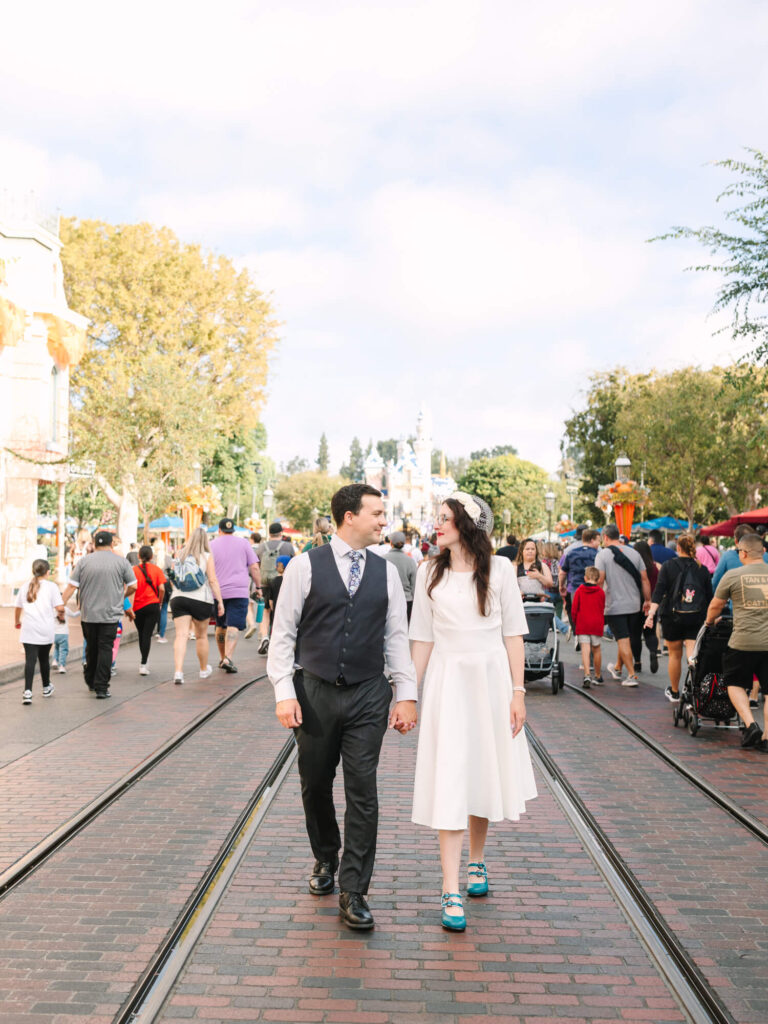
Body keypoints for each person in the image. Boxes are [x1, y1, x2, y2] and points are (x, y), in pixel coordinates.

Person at [267, 483, 418, 931]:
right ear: (349, 516)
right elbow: (283, 635)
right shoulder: (302, 566)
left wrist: (405, 693)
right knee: (315, 784)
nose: (383, 521)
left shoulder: (386, 571)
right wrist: (283, 692)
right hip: (313, 691)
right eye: (376, 513)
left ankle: (355, 890)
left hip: (368, 693)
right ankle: (325, 857)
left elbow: (396, 637)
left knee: (362, 790)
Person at [409, 492, 536, 932]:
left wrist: (518, 693)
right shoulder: (428, 571)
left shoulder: (500, 569)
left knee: (481, 770)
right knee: (450, 775)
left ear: (466, 524)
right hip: (448, 682)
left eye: (443, 518)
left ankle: (477, 862)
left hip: (491, 680)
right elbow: (422, 638)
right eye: (437, 518)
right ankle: (449, 887)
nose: (436, 525)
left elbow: (514, 634)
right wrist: (409, 693)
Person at [705, 532, 768, 751]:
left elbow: (716, 605)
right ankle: (767, 738)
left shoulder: (734, 575)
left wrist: (708, 621)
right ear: (763, 552)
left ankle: (751, 725)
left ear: (743, 552)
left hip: (743, 641)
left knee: (733, 682)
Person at [60, 531, 136, 699]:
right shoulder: (121, 562)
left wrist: (60, 605)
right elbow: (133, 586)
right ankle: (102, 686)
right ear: (111, 544)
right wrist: (121, 596)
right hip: (110, 614)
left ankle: (90, 680)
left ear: (94, 544)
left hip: (88, 615)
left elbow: (71, 587)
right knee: (105, 648)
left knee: (91, 648)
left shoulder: (84, 562)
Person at [644, 534, 712, 702]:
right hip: (696, 616)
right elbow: (710, 597)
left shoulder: (668, 566)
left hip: (672, 616)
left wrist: (651, 614)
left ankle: (674, 692)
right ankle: (695, 688)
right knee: (692, 651)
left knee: (674, 655)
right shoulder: (701, 569)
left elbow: (658, 592)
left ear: (678, 548)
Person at [595, 525, 650, 686]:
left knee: (623, 639)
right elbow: (645, 579)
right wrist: (647, 600)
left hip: (614, 605)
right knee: (624, 637)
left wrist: (597, 603)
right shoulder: (634, 552)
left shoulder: (602, 555)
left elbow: (599, 581)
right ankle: (618, 667)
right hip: (634, 604)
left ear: (605, 537)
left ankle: (632, 675)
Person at [170, 526, 225, 684]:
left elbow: (174, 576)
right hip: (201, 598)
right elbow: (213, 580)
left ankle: (178, 672)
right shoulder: (206, 556)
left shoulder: (179, 554)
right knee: (201, 636)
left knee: (181, 635)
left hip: (179, 597)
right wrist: (220, 601)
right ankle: (202, 670)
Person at [211, 518, 262, 673]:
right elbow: (254, 567)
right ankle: (228, 657)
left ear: (219, 530)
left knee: (220, 626)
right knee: (233, 625)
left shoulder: (211, 544)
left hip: (218, 592)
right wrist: (258, 587)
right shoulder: (244, 543)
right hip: (239, 591)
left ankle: (222, 658)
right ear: (233, 530)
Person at [14, 560, 65, 705]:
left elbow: (18, 607)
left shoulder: (25, 586)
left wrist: (17, 621)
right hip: (45, 629)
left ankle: (27, 692)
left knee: (30, 660)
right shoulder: (52, 587)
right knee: (44, 659)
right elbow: (60, 607)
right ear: (48, 572)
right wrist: (61, 613)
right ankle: (46, 687)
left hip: (29, 629)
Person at [256, 523, 295, 654]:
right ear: (281, 532)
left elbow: (257, 565)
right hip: (284, 583)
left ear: (269, 532)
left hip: (266, 583)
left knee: (266, 611)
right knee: (283, 611)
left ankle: (264, 636)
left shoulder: (262, 546)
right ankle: (280, 639)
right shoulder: (288, 546)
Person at [132, 545, 166, 676]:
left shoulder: (133, 570)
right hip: (152, 604)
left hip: (137, 606)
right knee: (147, 634)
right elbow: (162, 588)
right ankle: (143, 664)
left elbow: (129, 587)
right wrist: (160, 601)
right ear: (152, 557)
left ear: (139, 556)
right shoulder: (157, 570)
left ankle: (143, 661)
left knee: (141, 634)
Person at [559, 528, 600, 637]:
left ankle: (578, 634)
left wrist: (561, 586)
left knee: (574, 612)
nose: (599, 543)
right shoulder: (598, 554)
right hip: (593, 589)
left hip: (574, 588)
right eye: (598, 541)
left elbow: (562, 572)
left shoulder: (571, 552)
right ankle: (588, 635)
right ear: (592, 540)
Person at [571, 565, 605, 687]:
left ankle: (587, 675)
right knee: (596, 649)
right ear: (598, 579)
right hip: (596, 623)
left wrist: (575, 622)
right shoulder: (601, 592)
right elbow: (602, 608)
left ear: (585, 578)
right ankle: (598, 675)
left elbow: (574, 609)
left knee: (585, 650)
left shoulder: (580, 590)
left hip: (583, 623)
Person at [633, 539, 660, 674]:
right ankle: (653, 651)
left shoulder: (635, 568)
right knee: (650, 632)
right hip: (652, 604)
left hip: (636, 603)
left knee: (635, 634)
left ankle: (637, 662)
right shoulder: (654, 567)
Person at [384, 530, 418, 621]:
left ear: (391, 543)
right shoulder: (410, 561)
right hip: (407, 600)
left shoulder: (382, 559)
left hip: (387, 599)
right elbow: (414, 584)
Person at [52, 602, 80, 674]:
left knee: (56, 647)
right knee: (64, 650)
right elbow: (74, 615)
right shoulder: (66, 609)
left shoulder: (53, 610)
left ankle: (55, 660)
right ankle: (61, 666)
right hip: (64, 634)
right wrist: (80, 610)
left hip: (54, 634)